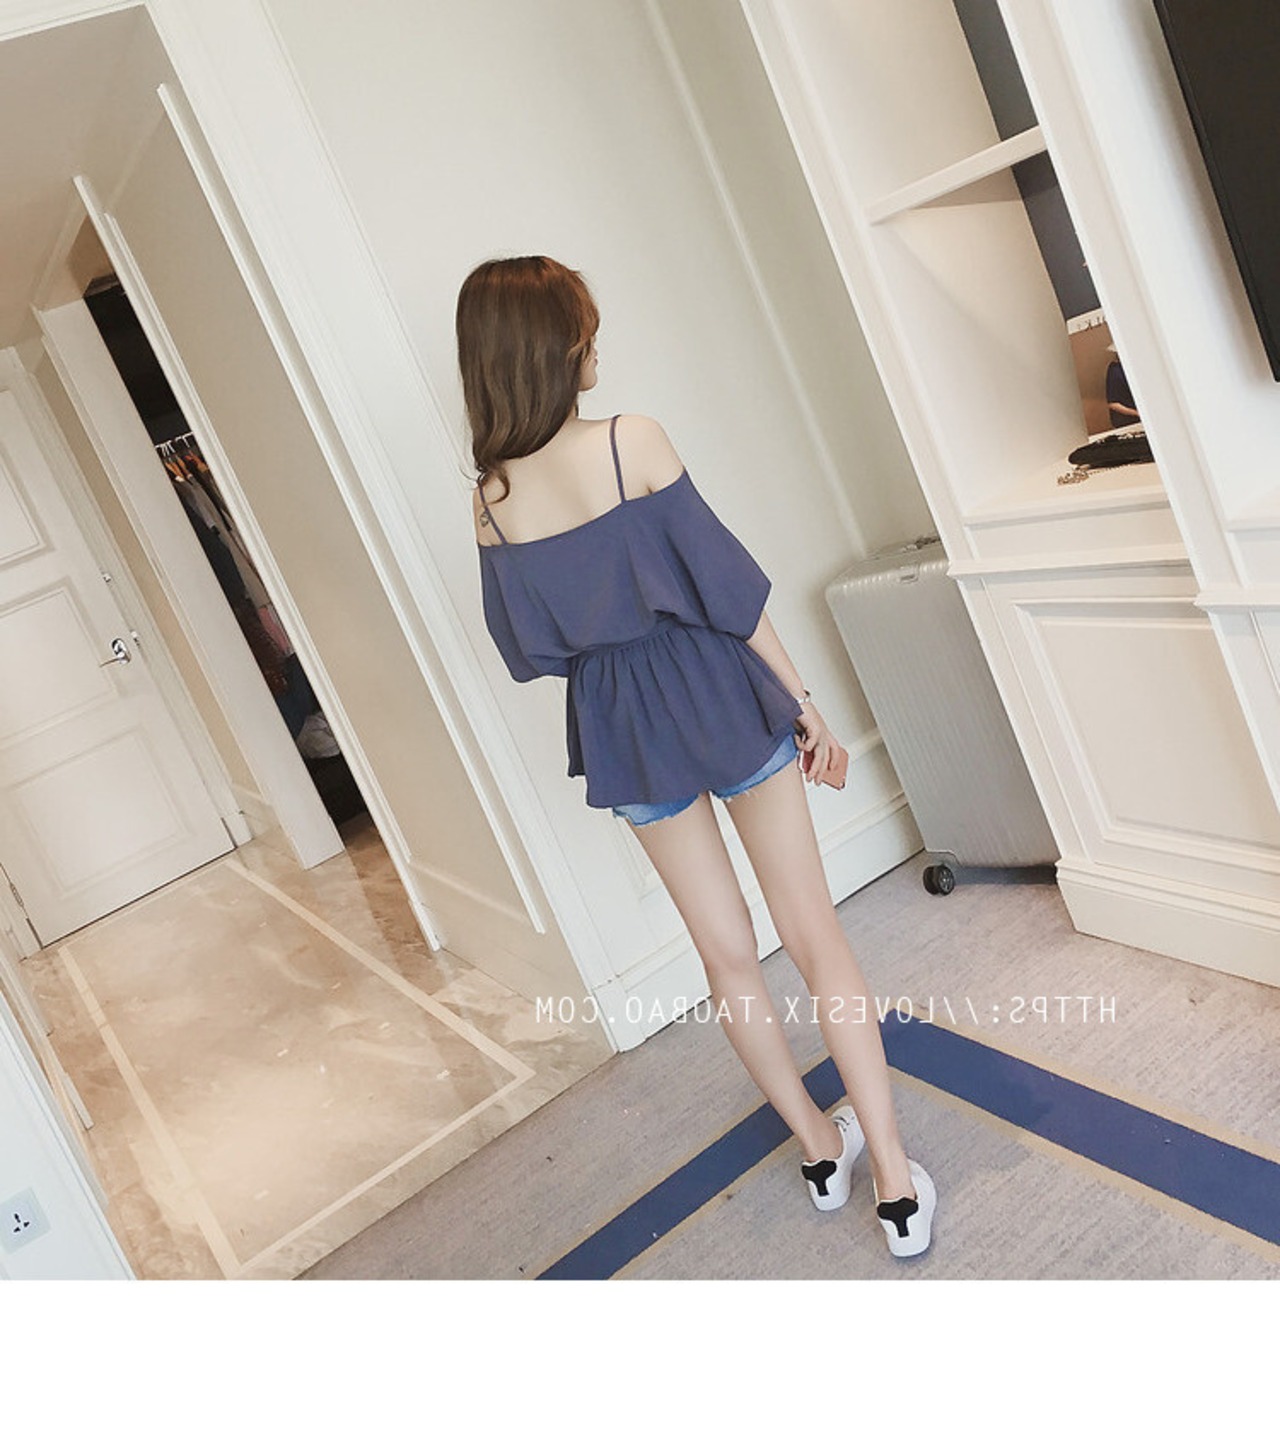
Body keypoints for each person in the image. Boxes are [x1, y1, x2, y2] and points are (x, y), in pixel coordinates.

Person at [458, 255, 935, 1259]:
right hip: (712, 685)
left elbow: (526, 649)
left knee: (725, 957)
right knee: (814, 934)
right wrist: (803, 703)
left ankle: (819, 1150)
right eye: (585, 330)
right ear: (556, 346)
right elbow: (727, 588)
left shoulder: (490, 501)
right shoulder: (631, 440)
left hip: (620, 720)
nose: (595, 345)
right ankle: (894, 1181)